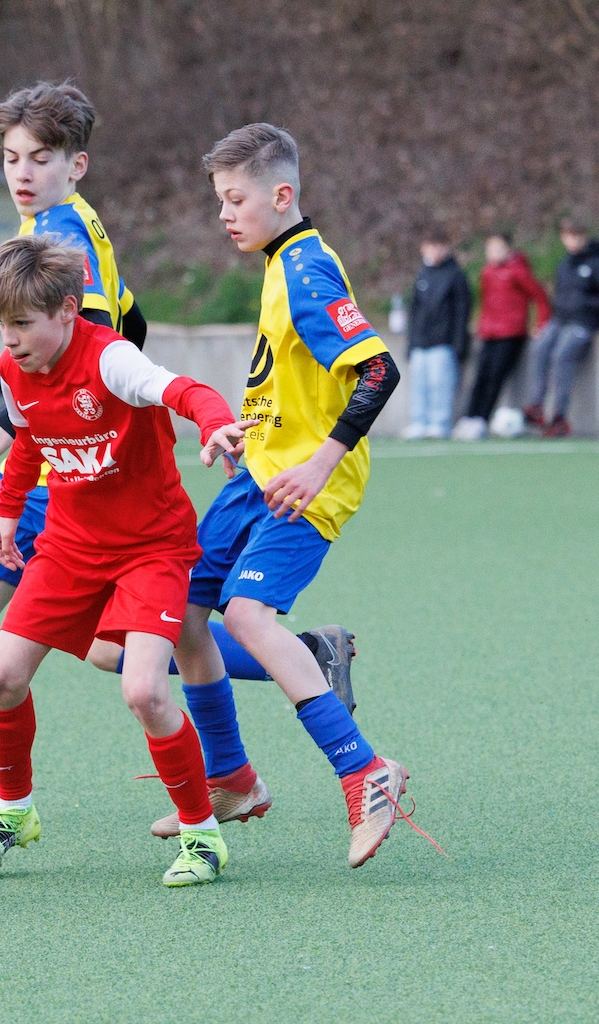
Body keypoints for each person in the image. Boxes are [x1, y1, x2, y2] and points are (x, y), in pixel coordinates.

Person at [0, 83, 354, 833]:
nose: (23, 172)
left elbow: (91, 341)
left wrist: (14, 422)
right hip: (62, 454)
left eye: (40, 158)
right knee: (111, 641)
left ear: (76, 164)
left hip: (66, 468)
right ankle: (284, 681)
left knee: (22, 623)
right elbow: (131, 317)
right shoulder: (59, 225)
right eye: (11, 158)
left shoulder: (63, 230)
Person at [164, 123, 427, 871]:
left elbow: (378, 371)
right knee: (181, 614)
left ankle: (364, 772)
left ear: (282, 195)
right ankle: (231, 779)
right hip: (258, 476)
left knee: (246, 617)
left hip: (304, 489)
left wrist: (318, 464)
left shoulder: (307, 267)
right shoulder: (281, 264)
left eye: (235, 199)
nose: (224, 214)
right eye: (220, 200)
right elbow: (293, 384)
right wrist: (245, 433)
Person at [0, 235, 243, 887]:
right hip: (69, 546)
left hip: (152, 547)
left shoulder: (112, 360)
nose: (10, 340)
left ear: (66, 310)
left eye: (22, 323)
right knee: (2, 677)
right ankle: (14, 811)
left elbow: (184, 390)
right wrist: (7, 512)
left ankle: (202, 835)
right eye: (1, 325)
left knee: (143, 690)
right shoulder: (15, 369)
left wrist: (215, 423)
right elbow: (29, 440)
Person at [452, 233, 551, 441]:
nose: (493, 253)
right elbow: (486, 301)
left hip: (510, 333)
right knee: (480, 376)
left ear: (508, 250)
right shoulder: (487, 271)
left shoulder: (518, 271)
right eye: (490, 249)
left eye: (498, 249)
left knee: (495, 377)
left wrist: (541, 323)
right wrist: (480, 322)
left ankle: (482, 420)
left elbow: (539, 296)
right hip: (489, 333)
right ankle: (470, 417)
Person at [523, 218, 599, 437]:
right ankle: (537, 405)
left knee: (561, 355)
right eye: (568, 237)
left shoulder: (594, 263)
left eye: (577, 236)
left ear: (584, 237)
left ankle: (559, 416)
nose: (573, 241)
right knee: (539, 348)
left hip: (584, 321)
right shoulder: (564, 264)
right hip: (561, 320)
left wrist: (585, 306)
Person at [401, 228, 471, 439]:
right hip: (420, 341)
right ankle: (418, 421)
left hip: (443, 342)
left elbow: (462, 312)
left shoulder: (455, 275)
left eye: (440, 246)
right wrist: (410, 342)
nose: (435, 251)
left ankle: (440, 422)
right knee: (419, 384)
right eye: (431, 247)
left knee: (440, 385)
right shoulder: (422, 275)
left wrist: (459, 344)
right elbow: (414, 311)